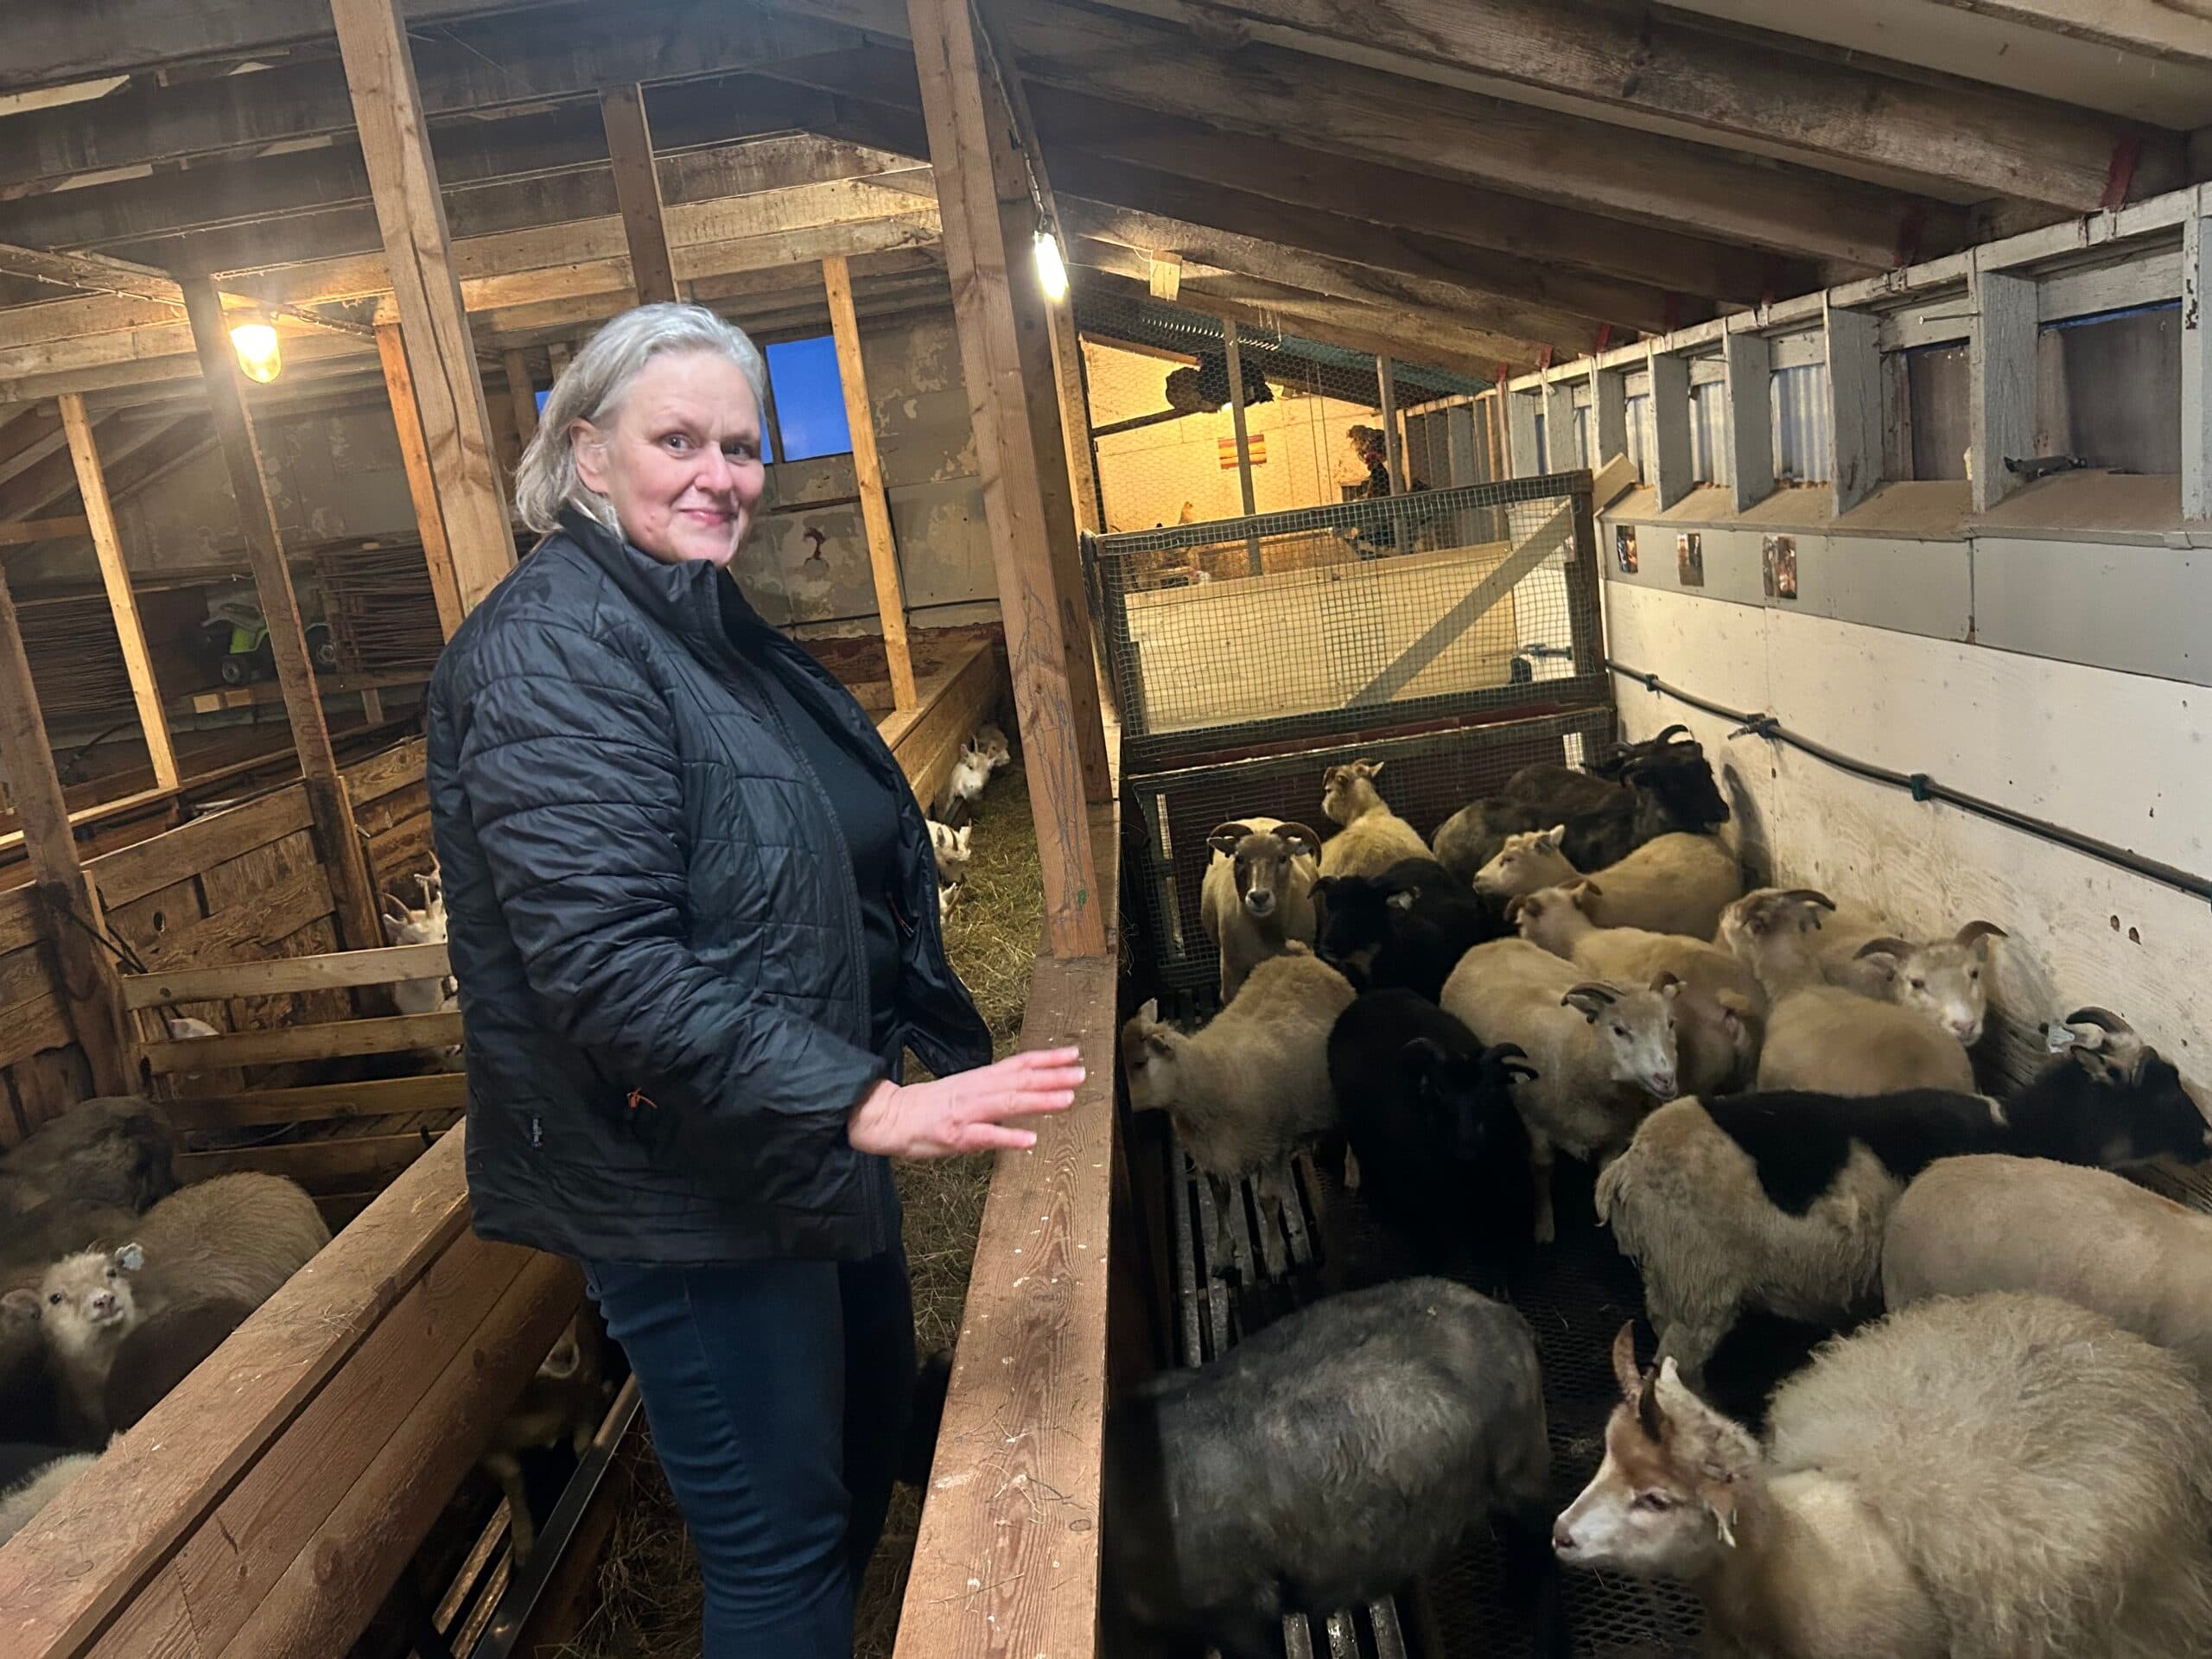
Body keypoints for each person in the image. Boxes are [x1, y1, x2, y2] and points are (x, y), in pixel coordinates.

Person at [423, 303, 1084, 1657]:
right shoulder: (553, 648)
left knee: (853, 1463)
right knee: (776, 1548)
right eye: (679, 440)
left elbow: (790, 856)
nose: (720, 475)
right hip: (688, 1188)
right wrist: (862, 1101)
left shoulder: (693, 620)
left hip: (796, 1140)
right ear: (587, 453)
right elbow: (605, 968)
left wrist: (887, 1049)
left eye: (742, 446)